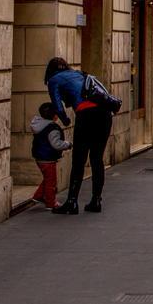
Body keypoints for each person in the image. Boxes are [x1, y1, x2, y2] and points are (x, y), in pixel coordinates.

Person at [45, 57, 114, 214]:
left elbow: (57, 105)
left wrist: (64, 119)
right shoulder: (79, 74)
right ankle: (96, 201)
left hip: (87, 115)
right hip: (105, 114)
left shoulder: (54, 80)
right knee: (97, 159)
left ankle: (72, 202)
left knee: (79, 160)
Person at [30, 102, 72, 209]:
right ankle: (51, 202)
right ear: (55, 115)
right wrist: (67, 144)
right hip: (48, 158)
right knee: (51, 181)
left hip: (39, 157)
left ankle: (38, 196)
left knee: (48, 178)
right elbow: (56, 144)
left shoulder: (39, 124)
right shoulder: (52, 128)